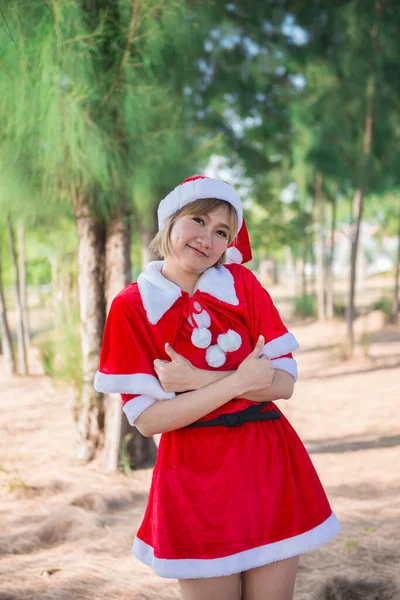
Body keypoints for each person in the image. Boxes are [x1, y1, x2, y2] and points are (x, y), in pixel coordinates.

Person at [94, 175, 340, 600]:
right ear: (170, 221)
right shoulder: (132, 307)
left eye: (222, 231)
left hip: (269, 465)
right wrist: (242, 380)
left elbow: (282, 384)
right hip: (192, 475)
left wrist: (198, 381)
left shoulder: (242, 286)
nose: (207, 238)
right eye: (198, 220)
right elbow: (150, 419)